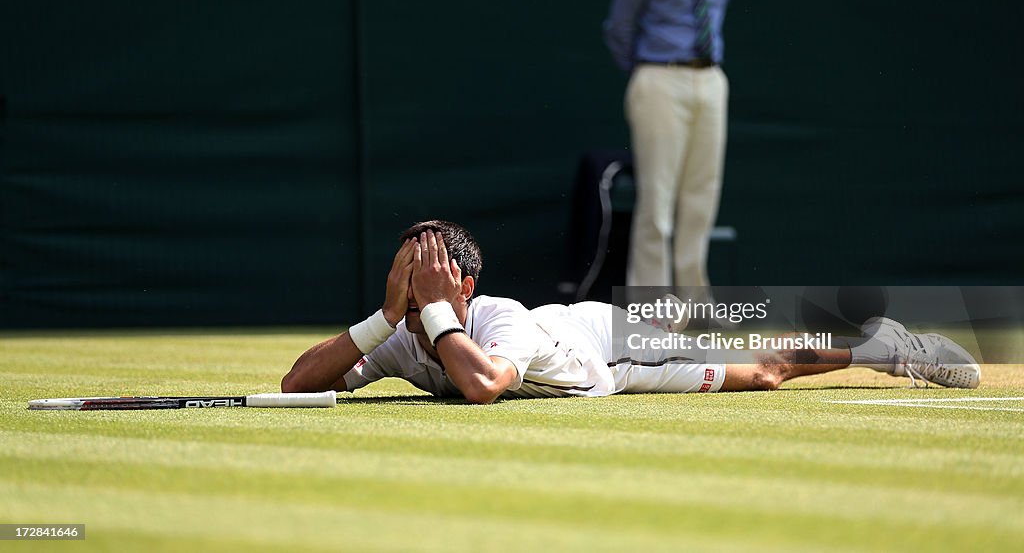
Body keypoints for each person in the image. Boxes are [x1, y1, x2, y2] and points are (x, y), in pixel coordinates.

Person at [281, 220, 981, 404]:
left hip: (605, 353)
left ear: (462, 287)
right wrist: (382, 318)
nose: (416, 291)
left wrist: (433, 313)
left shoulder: (497, 319)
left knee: (766, 369)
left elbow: (482, 384)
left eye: (429, 277)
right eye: (406, 276)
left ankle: (883, 345)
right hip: (577, 325)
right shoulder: (404, 334)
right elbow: (297, 385)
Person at [603, 0, 736, 287]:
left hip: (710, 79)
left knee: (702, 194)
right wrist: (648, 71)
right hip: (660, 78)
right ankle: (651, 305)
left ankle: (695, 302)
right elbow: (618, 27)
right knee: (657, 198)